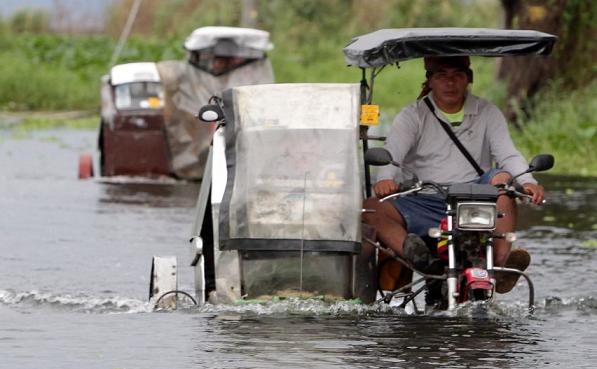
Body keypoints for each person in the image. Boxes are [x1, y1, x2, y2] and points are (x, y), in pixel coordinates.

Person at [362, 56, 545, 294]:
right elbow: (391, 153)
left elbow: (508, 153)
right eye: (442, 76)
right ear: (430, 81)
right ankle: (419, 259)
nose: (450, 83)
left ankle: (499, 266)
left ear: (468, 79)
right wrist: (385, 179)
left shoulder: (488, 112)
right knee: (370, 208)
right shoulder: (412, 116)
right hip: (424, 198)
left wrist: (528, 181)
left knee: (502, 179)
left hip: (473, 199)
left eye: (457, 75)